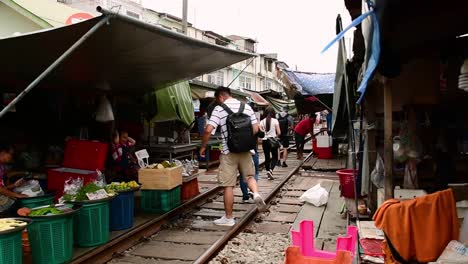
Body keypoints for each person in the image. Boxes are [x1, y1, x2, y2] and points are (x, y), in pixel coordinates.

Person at [200, 86, 266, 226]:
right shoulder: (247, 107)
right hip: (246, 150)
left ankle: (229, 218)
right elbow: (255, 129)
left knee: (228, 185)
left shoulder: (219, 109)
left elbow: (208, 130)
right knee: (249, 177)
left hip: (228, 152)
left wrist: (203, 146)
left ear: (220, 97)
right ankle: (255, 193)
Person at [0, 143, 27, 216]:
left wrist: (14, 185)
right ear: (3, 153)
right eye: (11, 154)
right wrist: (16, 195)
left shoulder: (2, 166)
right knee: (14, 207)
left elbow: (2, 188)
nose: (11, 157)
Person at [260, 106, 281, 180]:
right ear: (273, 113)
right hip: (273, 140)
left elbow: (262, 133)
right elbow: (279, 132)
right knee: (275, 157)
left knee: (267, 157)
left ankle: (268, 171)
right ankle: (271, 170)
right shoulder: (275, 121)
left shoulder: (262, 121)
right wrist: (275, 136)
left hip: (265, 141)